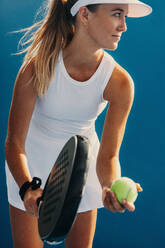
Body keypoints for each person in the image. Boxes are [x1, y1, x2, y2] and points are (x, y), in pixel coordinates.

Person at [5, 0, 152, 247]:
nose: (124, 26)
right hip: (29, 169)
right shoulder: (35, 68)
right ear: (84, 14)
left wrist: (108, 187)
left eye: (125, 16)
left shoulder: (120, 83)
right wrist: (27, 188)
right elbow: (14, 143)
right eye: (117, 14)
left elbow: (108, 157)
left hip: (82, 170)